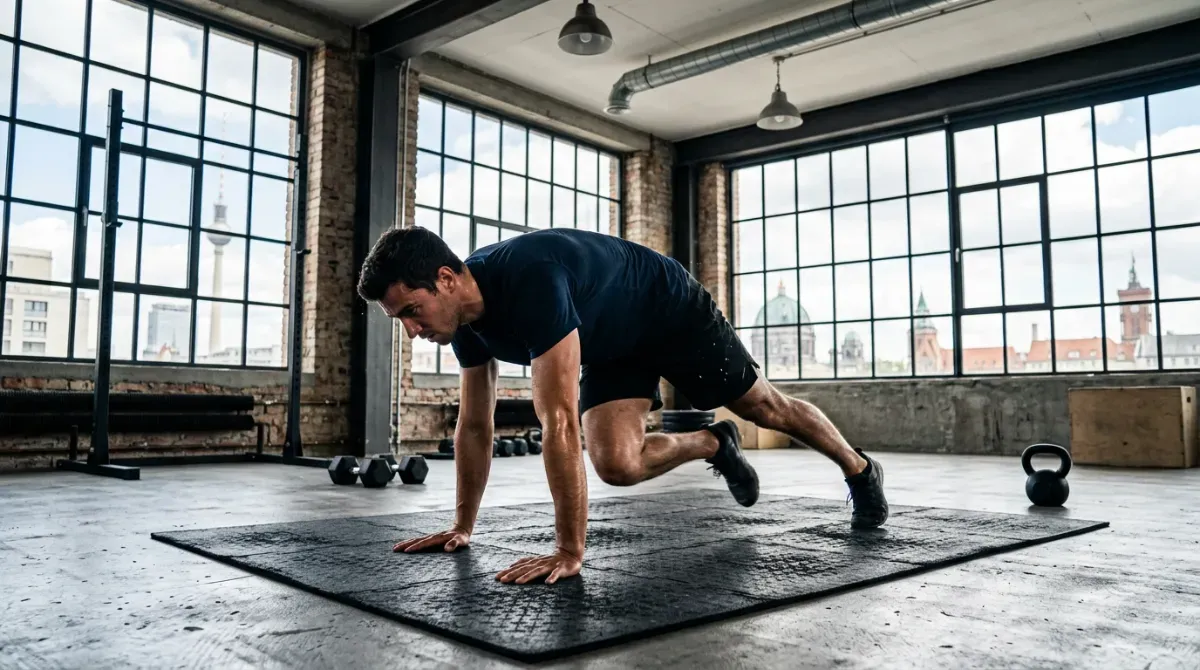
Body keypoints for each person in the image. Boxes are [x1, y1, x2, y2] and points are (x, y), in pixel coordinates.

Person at [356, 226, 888, 586]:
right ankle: (712, 441)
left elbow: (559, 420)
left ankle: (860, 469)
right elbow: (475, 427)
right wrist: (462, 526)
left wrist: (569, 551)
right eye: (399, 319)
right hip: (611, 341)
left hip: (668, 309)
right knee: (615, 463)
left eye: (412, 310)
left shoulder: (530, 280)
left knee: (764, 408)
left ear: (446, 280)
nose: (412, 329)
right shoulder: (462, 325)